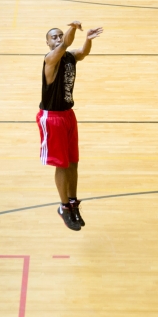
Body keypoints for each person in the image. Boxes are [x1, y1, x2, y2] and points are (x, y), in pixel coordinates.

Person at [36, 21, 103, 231]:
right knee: (62, 164)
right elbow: (65, 44)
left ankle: (73, 203)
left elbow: (82, 53)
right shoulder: (50, 59)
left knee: (73, 162)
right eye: (53, 37)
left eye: (59, 36)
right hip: (52, 117)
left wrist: (88, 39)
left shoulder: (68, 57)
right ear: (47, 43)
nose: (57, 39)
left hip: (68, 115)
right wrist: (73, 29)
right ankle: (63, 207)